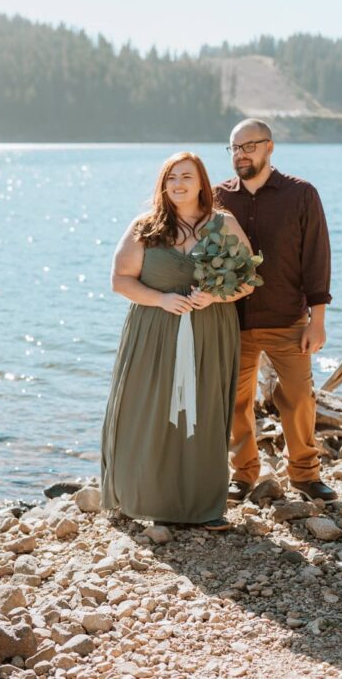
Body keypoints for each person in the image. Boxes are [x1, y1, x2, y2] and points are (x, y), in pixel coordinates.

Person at [101, 152, 253, 530]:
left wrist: (216, 296)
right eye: (171, 178)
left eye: (186, 176)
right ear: (163, 185)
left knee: (203, 411)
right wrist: (162, 299)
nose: (178, 184)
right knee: (145, 408)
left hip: (210, 331)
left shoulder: (224, 224)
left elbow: (248, 278)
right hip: (153, 330)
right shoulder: (146, 226)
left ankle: (203, 507)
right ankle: (138, 497)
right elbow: (120, 280)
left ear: (202, 182)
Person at [214, 118, 336, 503]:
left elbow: (317, 257)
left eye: (248, 146)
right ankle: (243, 474)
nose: (240, 154)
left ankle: (304, 474)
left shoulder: (301, 194)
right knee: (235, 401)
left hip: (288, 320)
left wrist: (318, 320)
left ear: (269, 147)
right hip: (232, 321)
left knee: (299, 398)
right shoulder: (218, 197)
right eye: (234, 148)